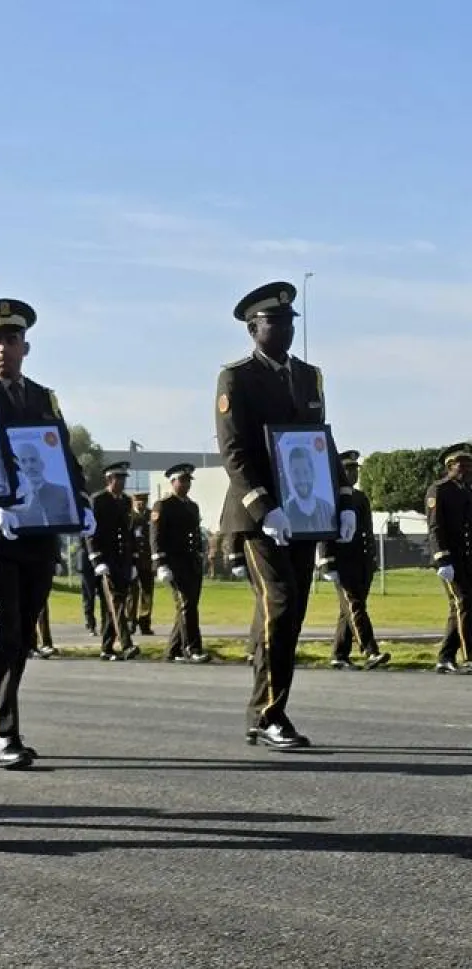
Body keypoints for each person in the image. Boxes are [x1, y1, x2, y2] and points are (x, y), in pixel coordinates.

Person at [216, 280, 342, 749]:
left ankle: (261, 710)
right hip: (260, 518)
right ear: (253, 328)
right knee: (281, 603)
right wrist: (265, 507)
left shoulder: (309, 376)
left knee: (289, 614)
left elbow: (320, 444)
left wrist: (342, 498)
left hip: (306, 514)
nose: (285, 329)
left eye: (290, 322)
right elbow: (234, 452)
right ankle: (271, 713)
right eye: (275, 322)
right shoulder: (237, 377)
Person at [0, 297, 95, 769]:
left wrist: (81, 501)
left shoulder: (43, 397)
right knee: (1, 630)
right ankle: (4, 731)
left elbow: (61, 455)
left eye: (10, 339)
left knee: (23, 632)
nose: (2, 348)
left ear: (26, 346)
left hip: (40, 531)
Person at [318, 450, 389, 670]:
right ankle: (370, 651)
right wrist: (326, 561)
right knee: (355, 606)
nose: (353, 474)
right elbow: (324, 529)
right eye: (348, 469)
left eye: (355, 470)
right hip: (342, 561)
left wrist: (372, 559)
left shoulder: (360, 497)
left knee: (349, 609)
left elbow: (367, 531)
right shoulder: (330, 496)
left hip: (362, 561)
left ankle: (339, 654)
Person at [151, 463, 211, 663]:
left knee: (188, 605)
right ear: (173, 481)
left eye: (188, 481)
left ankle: (172, 649)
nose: (186, 485)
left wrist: (201, 554)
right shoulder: (164, 505)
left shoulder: (192, 506)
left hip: (191, 562)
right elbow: (156, 537)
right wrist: (160, 563)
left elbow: (195, 534)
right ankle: (192, 648)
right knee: (186, 604)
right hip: (174, 563)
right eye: (182, 480)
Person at [426, 442, 472, 675]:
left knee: (461, 607)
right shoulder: (439, 490)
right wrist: (441, 558)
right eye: (460, 464)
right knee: (462, 602)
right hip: (450, 559)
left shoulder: (468, 490)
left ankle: (445, 656)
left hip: (467, 558)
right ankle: (468, 655)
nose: (465, 468)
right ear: (449, 466)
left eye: (468, 463)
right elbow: (435, 527)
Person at [86, 462, 140, 660]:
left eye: (124, 478)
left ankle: (106, 648)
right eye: (118, 478)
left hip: (122, 559)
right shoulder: (98, 500)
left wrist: (133, 559)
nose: (122, 482)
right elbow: (90, 532)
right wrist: (96, 559)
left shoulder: (126, 501)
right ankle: (126, 644)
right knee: (116, 601)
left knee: (114, 605)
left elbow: (129, 531)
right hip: (106, 560)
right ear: (109, 479)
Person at [282, 447, 334, 535]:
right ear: (290, 475)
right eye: (296, 473)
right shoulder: (284, 513)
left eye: (306, 472)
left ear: (313, 473)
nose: (302, 480)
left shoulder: (328, 510)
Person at [127, 493, 155, 636]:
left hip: (147, 561)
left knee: (147, 593)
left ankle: (145, 622)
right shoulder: (129, 516)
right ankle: (131, 622)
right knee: (132, 593)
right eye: (138, 501)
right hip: (134, 560)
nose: (141, 504)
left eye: (143, 501)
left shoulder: (151, 515)